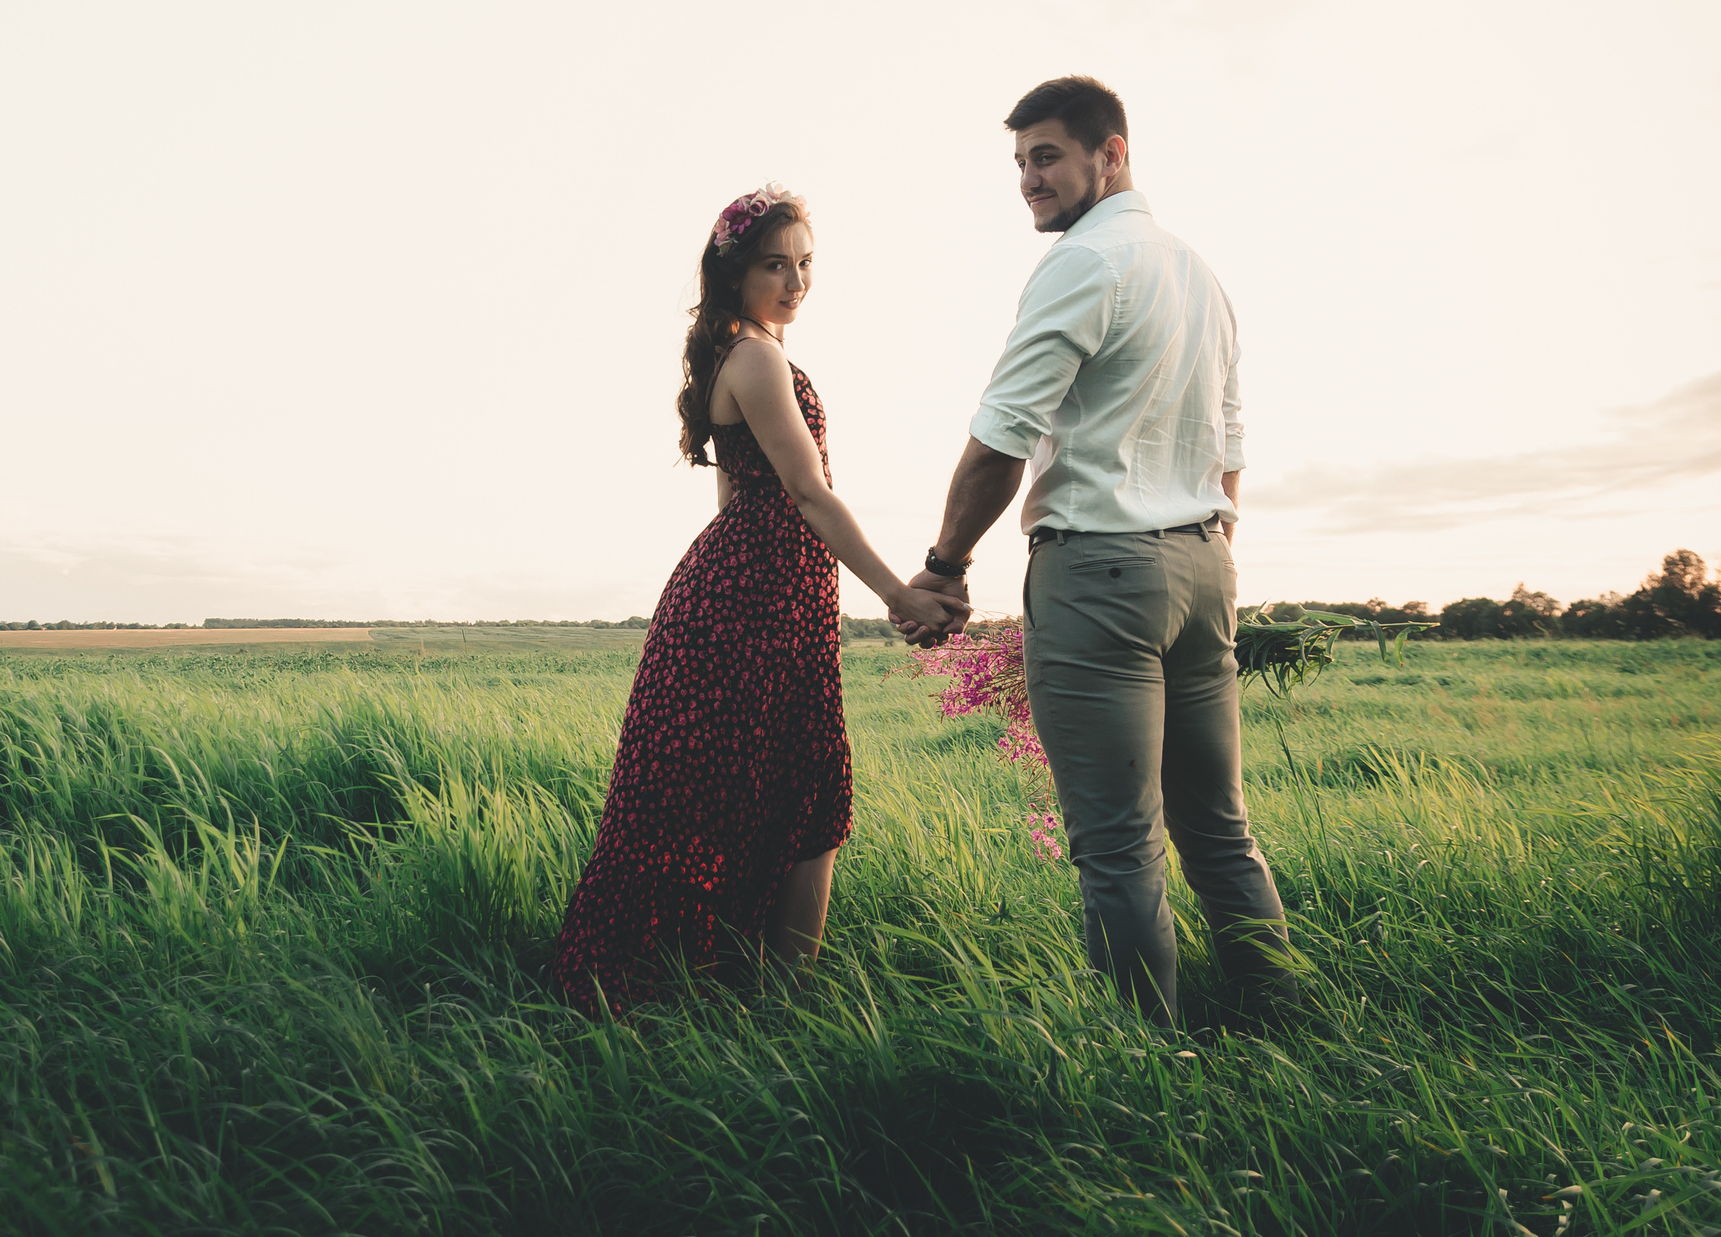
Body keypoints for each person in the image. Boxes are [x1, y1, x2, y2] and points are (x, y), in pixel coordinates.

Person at [902, 76, 1297, 1028]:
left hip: (1102, 572)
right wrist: (1205, 549)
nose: (1029, 181)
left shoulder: (1084, 264)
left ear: (1108, 154)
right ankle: (1283, 1021)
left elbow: (1003, 434)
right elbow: (1229, 446)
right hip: (1205, 570)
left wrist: (945, 567)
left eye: (1047, 157)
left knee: (1119, 848)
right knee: (1219, 832)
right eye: (1021, 162)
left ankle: (1144, 1068)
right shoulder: (1197, 272)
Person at [551, 184, 966, 1013]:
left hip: (754, 598)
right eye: (776, 264)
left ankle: (744, 995)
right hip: (751, 607)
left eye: (806, 264)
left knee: (750, 794)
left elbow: (739, 502)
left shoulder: (738, 351)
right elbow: (808, 494)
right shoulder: (753, 357)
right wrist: (897, 596)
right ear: (734, 269)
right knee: (805, 795)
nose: (796, 281)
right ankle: (779, 1007)